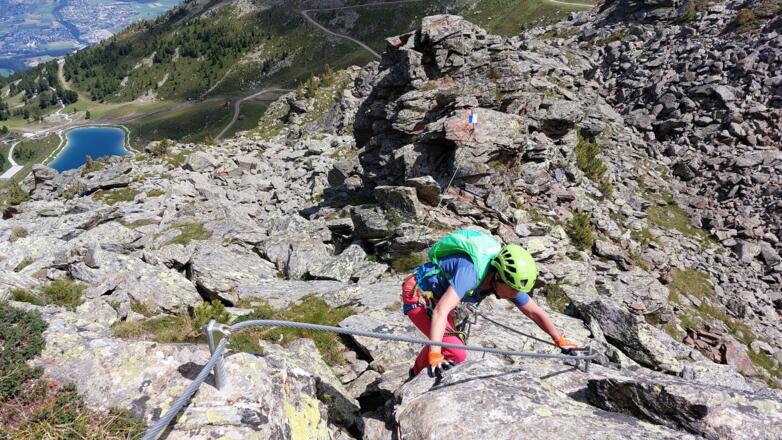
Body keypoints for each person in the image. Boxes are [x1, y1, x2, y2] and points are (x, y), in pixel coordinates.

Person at [402, 229, 577, 378]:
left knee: (446, 341)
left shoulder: (504, 283)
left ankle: (416, 372)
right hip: (420, 294)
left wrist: (558, 338)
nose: (515, 295)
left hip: (441, 296)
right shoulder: (470, 273)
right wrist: (435, 353)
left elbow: (534, 312)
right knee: (457, 353)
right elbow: (440, 312)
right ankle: (418, 373)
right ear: (498, 276)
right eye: (513, 289)